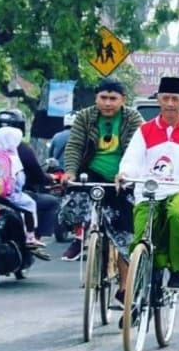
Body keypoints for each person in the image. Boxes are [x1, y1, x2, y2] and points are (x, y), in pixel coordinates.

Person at [117, 77, 179, 291]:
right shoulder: (145, 130)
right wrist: (124, 174)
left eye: (174, 99)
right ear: (158, 99)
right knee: (140, 236)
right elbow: (132, 159)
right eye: (165, 98)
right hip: (148, 192)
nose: (170, 103)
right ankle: (135, 294)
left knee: (176, 216)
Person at [60, 78, 144, 263]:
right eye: (103, 98)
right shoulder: (85, 116)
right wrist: (70, 171)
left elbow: (134, 150)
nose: (107, 103)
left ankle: (124, 284)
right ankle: (79, 236)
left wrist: (125, 174)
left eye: (113, 99)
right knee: (76, 196)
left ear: (123, 99)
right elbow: (74, 145)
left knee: (124, 227)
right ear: (95, 98)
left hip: (122, 175)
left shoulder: (133, 118)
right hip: (92, 171)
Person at [0, 109, 59, 242]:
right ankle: (32, 237)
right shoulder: (22, 149)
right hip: (9, 195)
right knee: (46, 202)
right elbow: (35, 176)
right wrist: (50, 179)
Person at [0, 126, 49, 260]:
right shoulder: (13, 158)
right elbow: (19, 180)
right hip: (7, 196)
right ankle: (30, 237)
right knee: (30, 204)